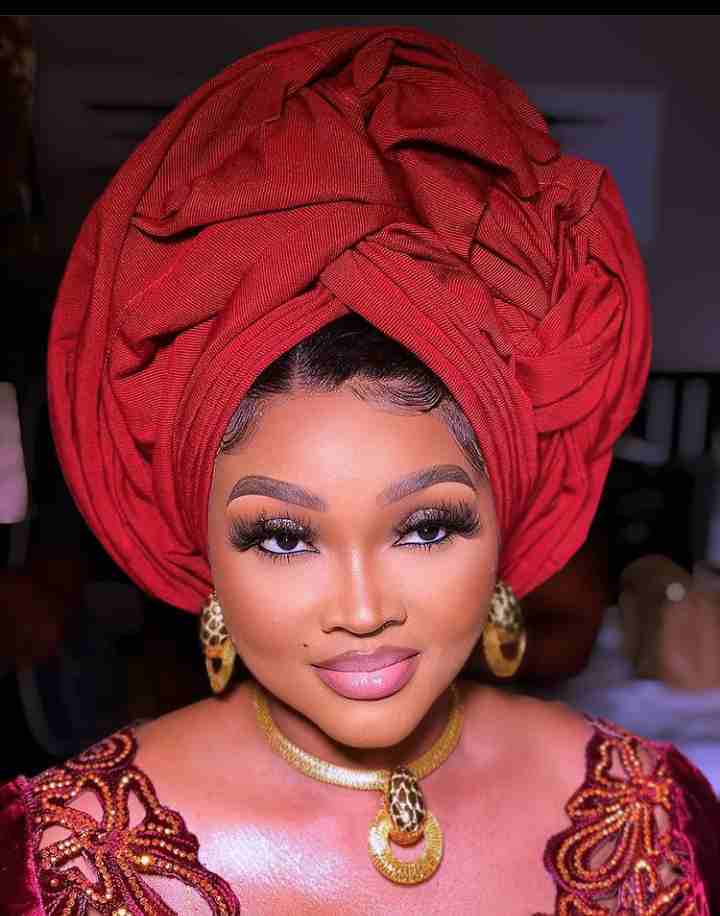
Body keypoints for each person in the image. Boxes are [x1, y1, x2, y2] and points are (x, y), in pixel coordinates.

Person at [2, 24, 718, 915]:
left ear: (506, 518)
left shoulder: (657, 819)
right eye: (283, 537)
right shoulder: (59, 860)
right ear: (202, 550)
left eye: (426, 527)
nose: (364, 607)